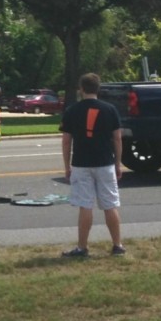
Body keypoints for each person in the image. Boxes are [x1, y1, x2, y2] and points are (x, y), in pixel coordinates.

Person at [60, 72, 125, 257]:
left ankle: (82, 247)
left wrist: (67, 166)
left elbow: (66, 141)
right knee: (110, 205)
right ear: (98, 89)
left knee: (85, 205)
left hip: (81, 163)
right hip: (105, 162)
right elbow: (117, 139)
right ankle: (117, 245)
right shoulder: (110, 109)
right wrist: (118, 163)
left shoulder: (72, 110)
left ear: (81, 89)